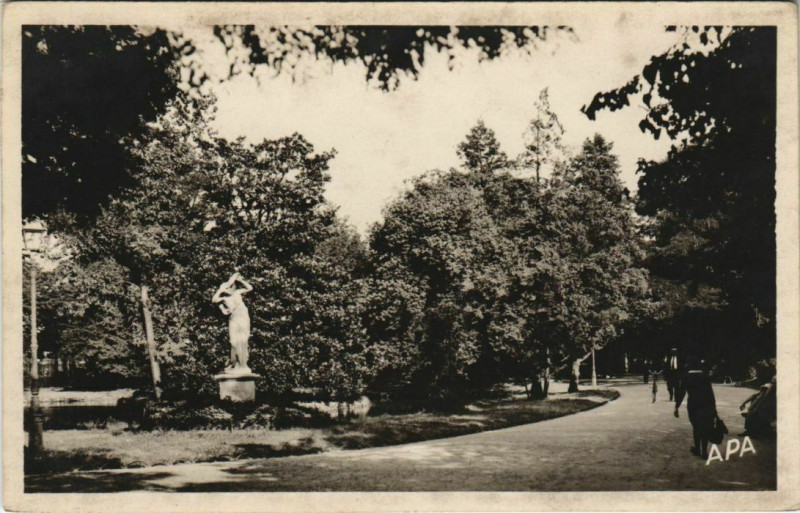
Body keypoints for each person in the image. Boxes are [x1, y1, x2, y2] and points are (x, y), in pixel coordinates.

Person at [674, 356, 718, 458]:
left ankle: (697, 449)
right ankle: (704, 452)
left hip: (693, 404)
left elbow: (681, 393)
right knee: (705, 427)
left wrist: (677, 407)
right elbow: (710, 394)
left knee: (696, 427)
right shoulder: (704, 376)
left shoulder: (686, 377)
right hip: (706, 404)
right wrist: (714, 408)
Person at [211, 272, 253, 371]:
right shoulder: (224, 298)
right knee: (233, 340)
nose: (229, 289)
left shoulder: (237, 292)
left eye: (230, 287)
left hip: (242, 317)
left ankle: (242, 363)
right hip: (234, 318)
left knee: (243, 339)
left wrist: (240, 280)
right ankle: (235, 363)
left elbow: (250, 288)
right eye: (227, 288)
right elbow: (214, 299)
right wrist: (220, 290)